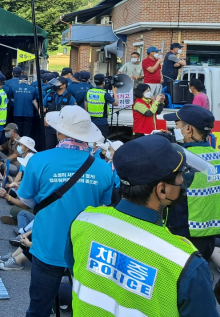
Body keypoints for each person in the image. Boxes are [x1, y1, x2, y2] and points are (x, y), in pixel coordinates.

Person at [68, 135, 217, 317]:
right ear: (162, 190)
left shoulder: (84, 221)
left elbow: (76, 268)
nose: (183, 181)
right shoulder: (185, 262)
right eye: (179, 175)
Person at [17, 105, 113, 317]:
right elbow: (104, 207)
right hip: (86, 249)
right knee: (87, 308)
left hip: (47, 246)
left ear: (60, 132)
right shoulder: (104, 168)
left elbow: (26, 199)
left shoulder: (39, 160)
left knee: (39, 308)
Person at [164, 105, 220, 260]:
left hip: (185, 236)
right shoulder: (217, 156)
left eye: (177, 125)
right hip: (210, 234)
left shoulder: (183, 159)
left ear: (188, 129)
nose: (176, 128)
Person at [42, 77, 76, 150]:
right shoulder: (50, 95)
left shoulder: (70, 98)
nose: (55, 85)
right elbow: (42, 107)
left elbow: (74, 113)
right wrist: (43, 118)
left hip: (62, 129)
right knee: (48, 147)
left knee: (60, 148)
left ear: (64, 85)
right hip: (49, 127)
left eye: (57, 83)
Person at [85, 73, 118, 139]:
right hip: (102, 122)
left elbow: (86, 106)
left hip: (91, 120)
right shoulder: (104, 93)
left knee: (91, 140)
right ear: (103, 82)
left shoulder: (89, 91)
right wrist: (114, 92)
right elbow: (116, 103)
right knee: (101, 141)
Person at [10, 73, 38, 139]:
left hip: (17, 113)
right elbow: (34, 101)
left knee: (18, 131)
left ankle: (17, 145)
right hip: (29, 114)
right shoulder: (32, 89)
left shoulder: (14, 88)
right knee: (27, 132)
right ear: (27, 81)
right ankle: (25, 146)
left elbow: (12, 100)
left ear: (19, 81)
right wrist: (39, 111)